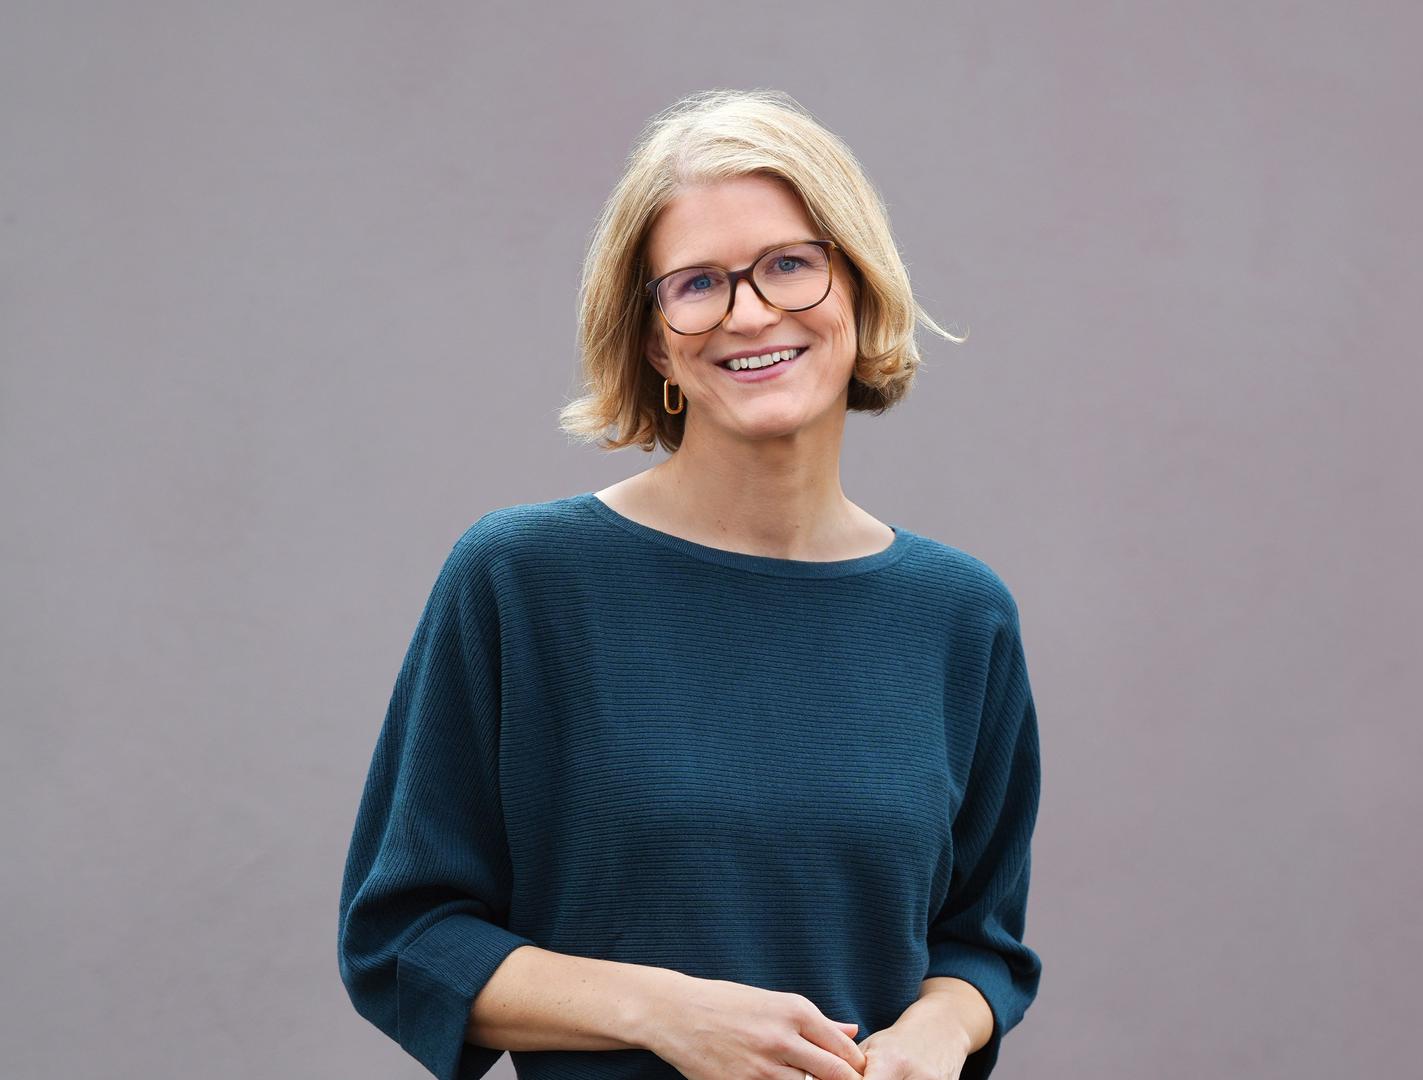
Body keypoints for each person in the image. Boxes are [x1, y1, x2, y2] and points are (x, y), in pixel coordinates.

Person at [337, 88, 1043, 1080]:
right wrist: (660, 1011)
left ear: (863, 291)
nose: (750, 311)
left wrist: (938, 1030)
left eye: (791, 265)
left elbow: (980, 946)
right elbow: (402, 937)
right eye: (698, 283)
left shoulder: (961, 618)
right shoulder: (524, 583)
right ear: (657, 339)